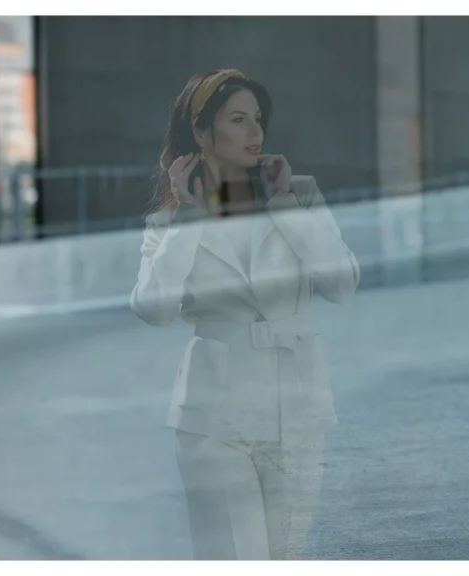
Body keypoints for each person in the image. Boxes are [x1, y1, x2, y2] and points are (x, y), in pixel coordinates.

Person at [130, 69, 360, 559]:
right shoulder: (171, 219)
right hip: (213, 417)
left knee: (285, 559)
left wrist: (282, 205)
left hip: (296, 407)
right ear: (201, 132)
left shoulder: (298, 194)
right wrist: (190, 215)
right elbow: (154, 309)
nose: (255, 133)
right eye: (238, 119)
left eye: (258, 119)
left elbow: (342, 283)